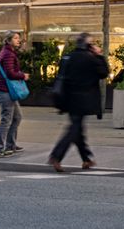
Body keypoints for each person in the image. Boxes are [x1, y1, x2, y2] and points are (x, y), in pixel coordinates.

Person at [48, 32, 106, 173]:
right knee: (74, 129)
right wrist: (99, 56)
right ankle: (56, 155)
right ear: (88, 46)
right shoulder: (91, 59)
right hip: (84, 99)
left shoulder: (68, 57)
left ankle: (86, 159)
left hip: (68, 98)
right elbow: (104, 73)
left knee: (78, 129)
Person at [0, 31, 26, 158]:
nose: (19, 40)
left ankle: (10, 145)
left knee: (17, 117)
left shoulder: (5, 52)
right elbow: (11, 73)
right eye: (16, 38)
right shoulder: (8, 54)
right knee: (6, 120)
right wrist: (23, 75)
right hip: (4, 91)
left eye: (19, 38)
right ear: (8, 40)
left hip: (5, 90)